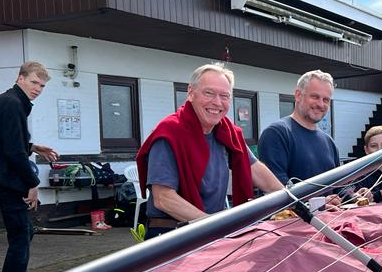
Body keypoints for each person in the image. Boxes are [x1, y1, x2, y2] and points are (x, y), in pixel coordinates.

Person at [137, 63, 283, 237]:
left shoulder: (227, 132)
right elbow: (163, 199)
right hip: (172, 235)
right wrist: (215, 227)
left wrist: (292, 199)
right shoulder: (170, 133)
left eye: (224, 96)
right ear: (191, 92)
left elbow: (256, 170)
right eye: (209, 93)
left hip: (209, 229)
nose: (217, 102)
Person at [0, 61, 59, 272]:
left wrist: (33, 147)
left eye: (42, 86)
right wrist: (33, 184)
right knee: (21, 234)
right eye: (34, 82)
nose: (37, 89)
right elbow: (13, 151)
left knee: (24, 231)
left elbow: (8, 140)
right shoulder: (13, 104)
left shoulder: (10, 101)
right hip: (2, 178)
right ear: (20, 78)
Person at [258, 70, 343, 206]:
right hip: (292, 219)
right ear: (298, 95)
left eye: (326, 100)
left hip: (331, 218)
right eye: (315, 97)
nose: (320, 104)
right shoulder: (277, 134)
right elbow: (277, 190)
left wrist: (355, 194)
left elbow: (339, 187)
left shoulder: (329, 142)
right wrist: (318, 204)